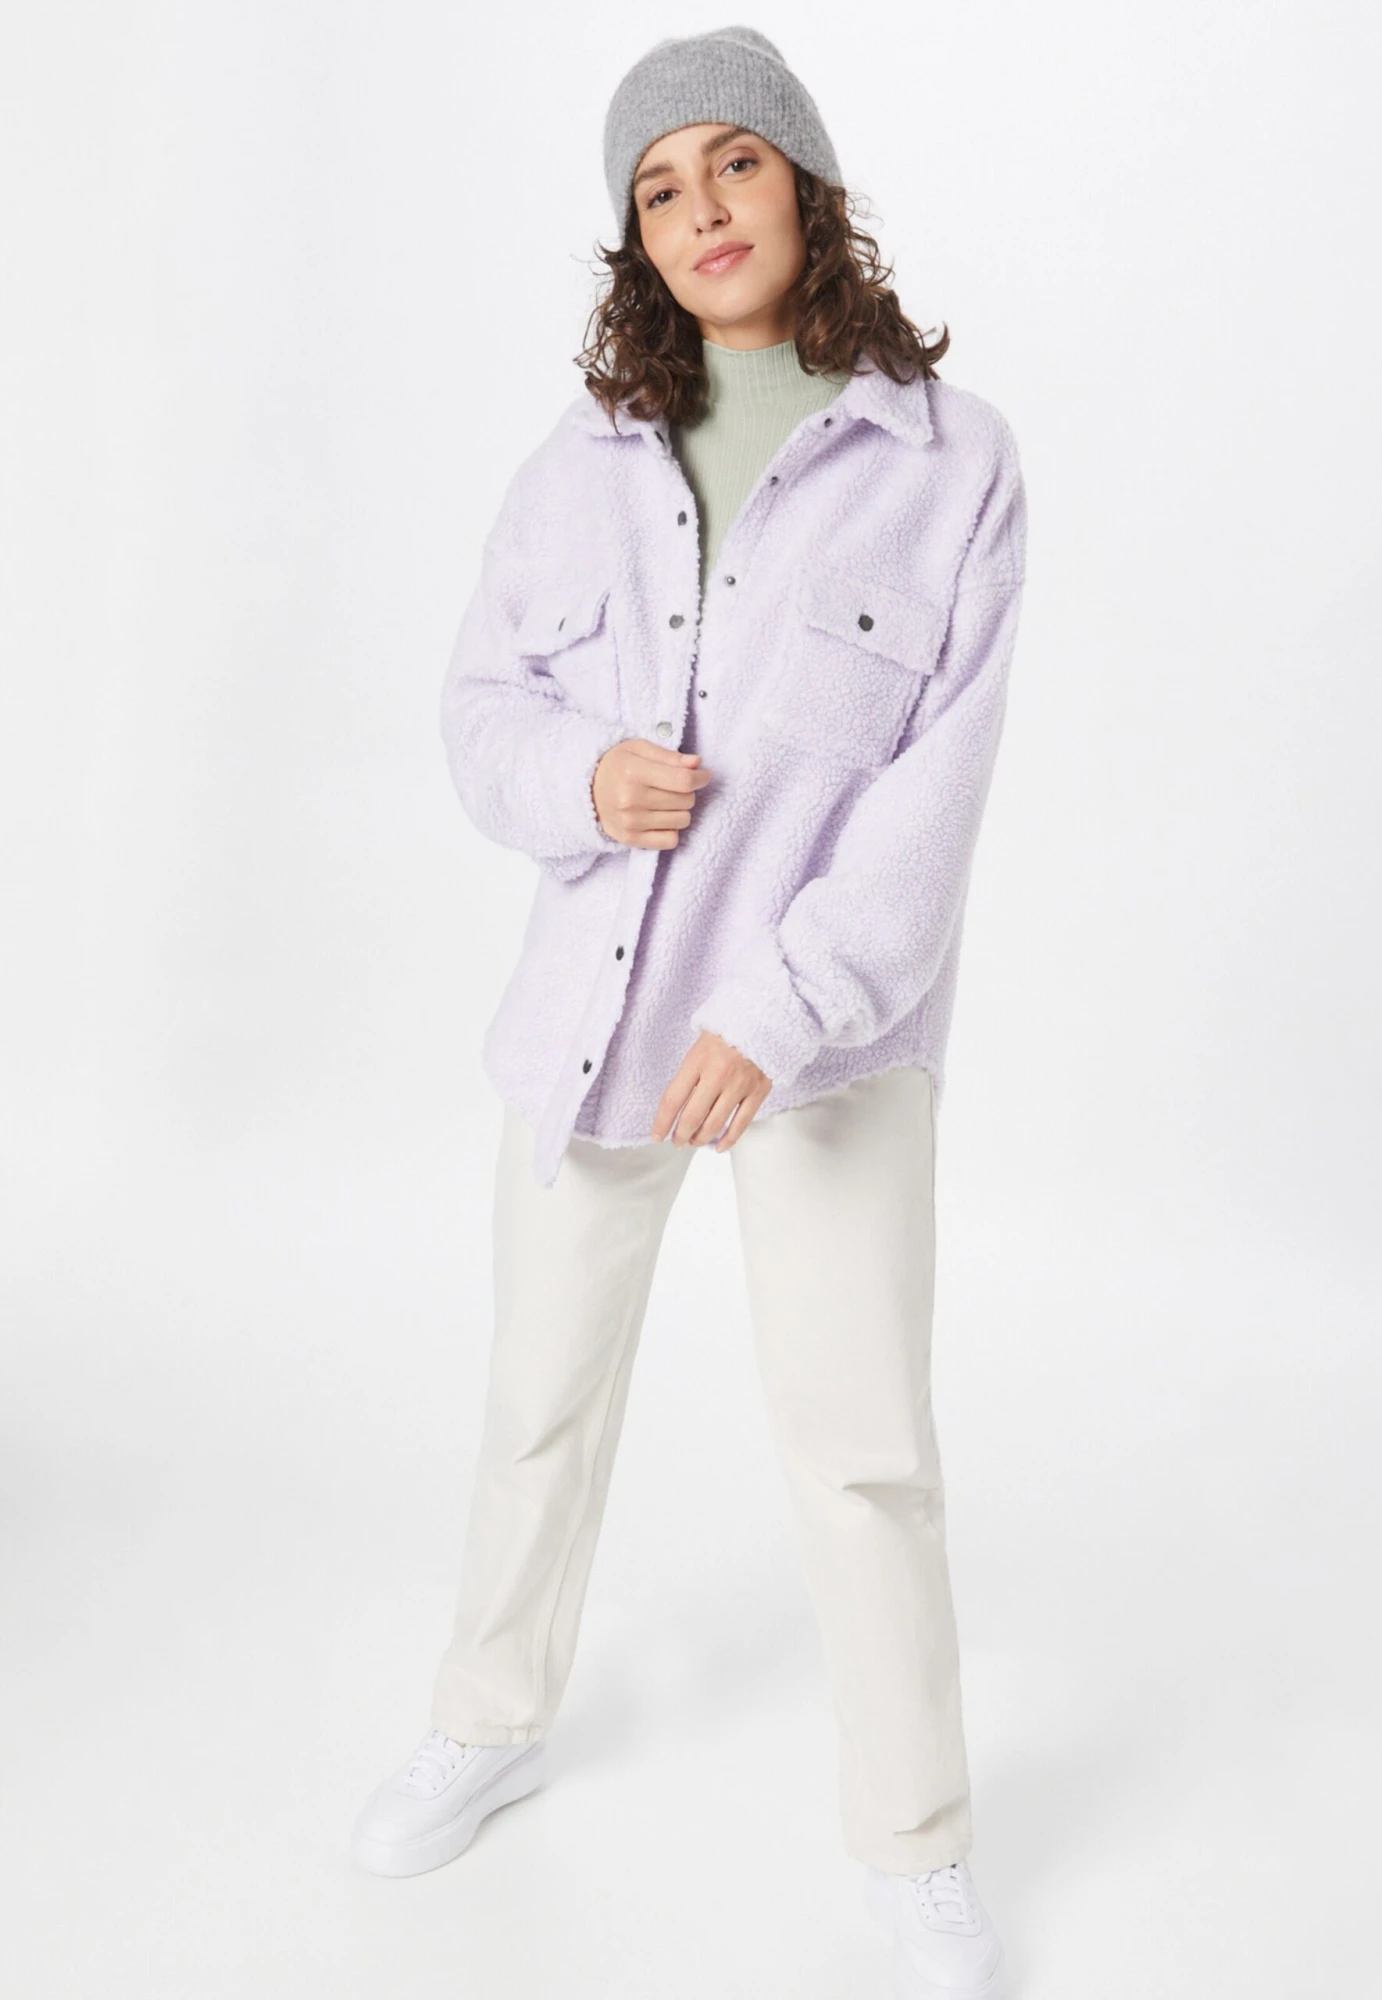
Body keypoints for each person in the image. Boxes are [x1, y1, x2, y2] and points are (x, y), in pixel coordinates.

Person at [352, 26, 1027, 2000]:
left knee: (864, 1449)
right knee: (538, 1406)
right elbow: (480, 710)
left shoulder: (951, 464)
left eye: (734, 163)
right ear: (634, 240)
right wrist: (581, 780)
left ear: (805, 187)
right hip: (593, 1016)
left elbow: (934, 793)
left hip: (826, 1039)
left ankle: (915, 1842)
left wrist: (783, 1006)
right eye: (659, 188)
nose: (702, 209)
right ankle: (488, 1718)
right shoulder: (575, 469)